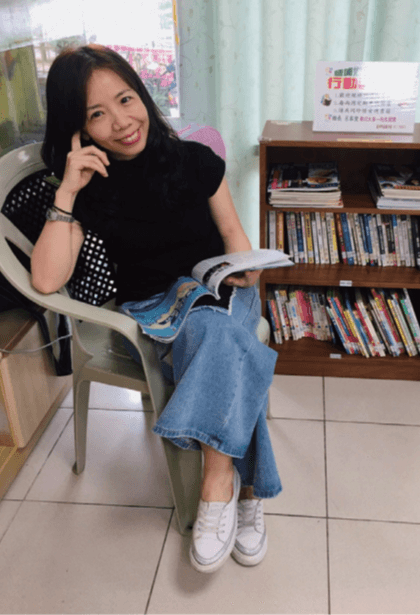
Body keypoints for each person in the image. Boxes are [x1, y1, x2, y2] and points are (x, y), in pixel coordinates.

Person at [31, 44, 281, 574]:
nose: (122, 122)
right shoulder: (89, 189)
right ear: (78, 129)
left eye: (126, 99)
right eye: (97, 114)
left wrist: (247, 270)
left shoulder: (195, 161)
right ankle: (244, 488)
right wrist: (68, 192)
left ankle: (215, 484)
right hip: (155, 309)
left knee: (215, 325)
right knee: (222, 339)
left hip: (223, 291)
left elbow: (233, 235)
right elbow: (47, 279)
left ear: (142, 94)